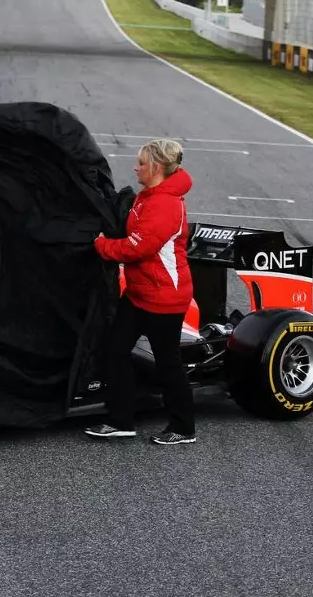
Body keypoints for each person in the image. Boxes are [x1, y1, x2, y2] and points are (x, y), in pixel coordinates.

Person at [84, 139, 196, 445]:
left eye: (141, 163)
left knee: (167, 362)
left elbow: (138, 247)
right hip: (139, 293)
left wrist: (100, 244)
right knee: (116, 350)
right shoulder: (150, 196)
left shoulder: (165, 203)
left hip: (164, 298)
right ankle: (121, 421)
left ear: (157, 168)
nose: (136, 167)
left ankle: (184, 427)